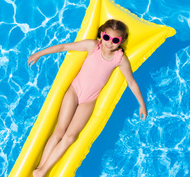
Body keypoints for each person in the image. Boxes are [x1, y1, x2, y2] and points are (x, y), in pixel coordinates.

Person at [28, 19, 147, 177]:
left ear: (122, 41)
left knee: (70, 137)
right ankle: (41, 169)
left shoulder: (120, 59)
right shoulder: (93, 46)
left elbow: (131, 82)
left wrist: (141, 104)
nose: (110, 43)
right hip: (74, 91)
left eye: (115, 40)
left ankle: (42, 170)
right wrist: (39, 54)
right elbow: (64, 46)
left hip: (89, 100)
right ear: (102, 35)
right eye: (107, 37)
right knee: (59, 131)